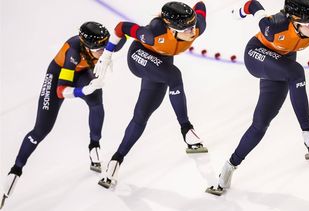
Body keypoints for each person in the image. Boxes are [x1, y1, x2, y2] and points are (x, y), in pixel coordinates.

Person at [206, 0, 309, 196]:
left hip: (282, 62)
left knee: (261, 123)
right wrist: (239, 13)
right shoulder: (274, 26)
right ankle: (308, 134)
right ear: (294, 22)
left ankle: (229, 166)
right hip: (257, 54)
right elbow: (253, 5)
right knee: (296, 72)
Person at [1, 21, 115, 208]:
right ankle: (15, 170)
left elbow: (121, 32)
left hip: (82, 71)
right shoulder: (73, 53)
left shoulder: (102, 47)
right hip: (59, 76)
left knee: (97, 103)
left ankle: (94, 145)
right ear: (87, 47)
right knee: (41, 129)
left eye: (106, 45)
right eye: (100, 49)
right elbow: (61, 91)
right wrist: (84, 90)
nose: (105, 51)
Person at [93, 1, 207, 189]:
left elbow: (201, 5)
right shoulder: (153, 33)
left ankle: (116, 160)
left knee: (142, 115)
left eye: (193, 25)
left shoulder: (197, 26)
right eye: (186, 27)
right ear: (171, 28)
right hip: (139, 56)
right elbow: (121, 27)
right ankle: (186, 128)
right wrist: (106, 56)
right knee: (174, 76)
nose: (192, 31)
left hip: (161, 62)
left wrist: (195, 11)